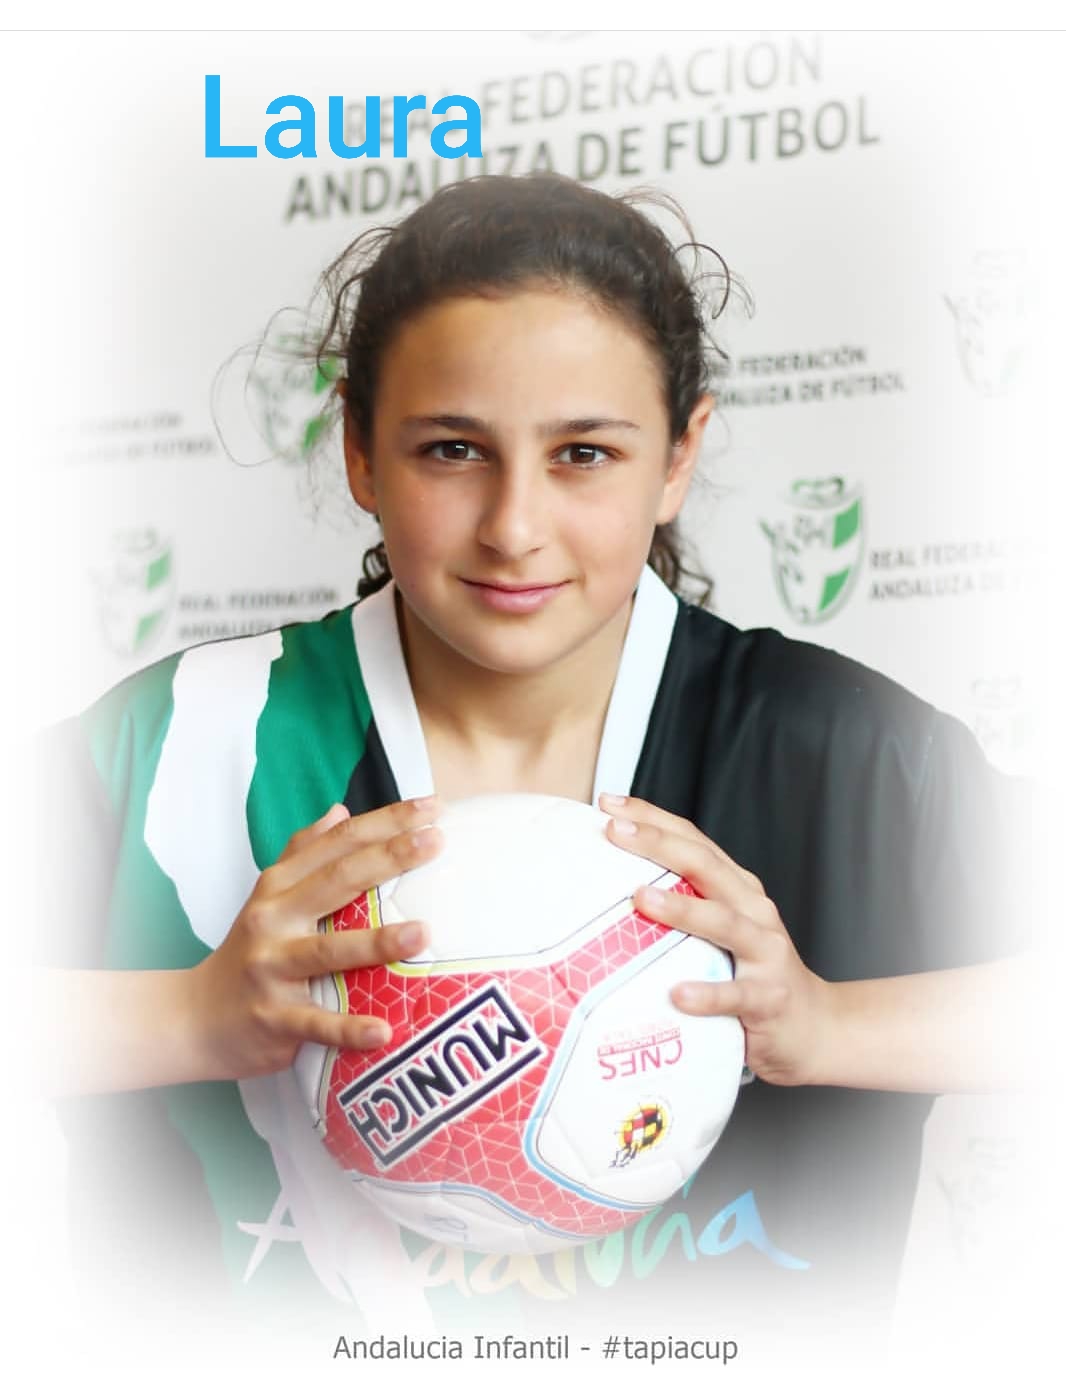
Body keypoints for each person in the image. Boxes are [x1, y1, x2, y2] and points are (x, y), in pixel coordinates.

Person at [35, 173, 1031, 1355]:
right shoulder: (186, 742)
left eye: (584, 453)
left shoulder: (844, 748)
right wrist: (187, 1016)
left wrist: (826, 1025)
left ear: (678, 455)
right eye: (452, 449)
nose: (513, 525)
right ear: (358, 448)